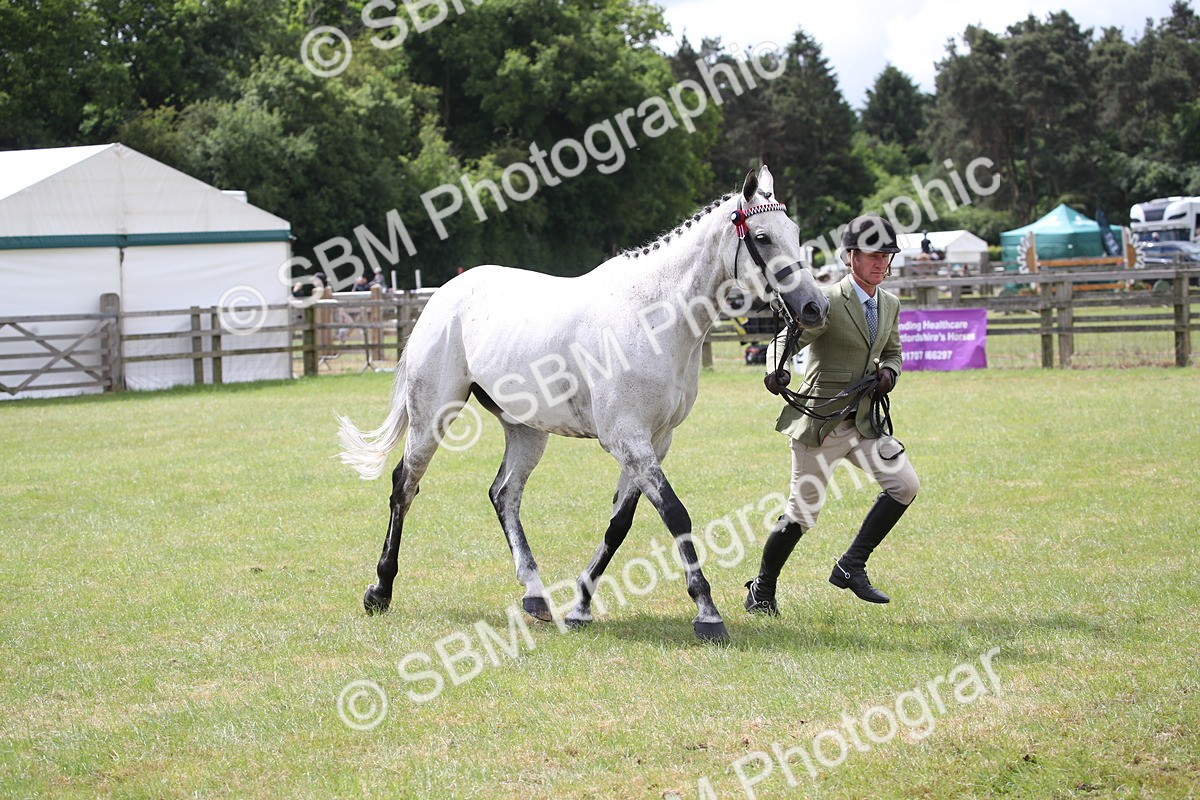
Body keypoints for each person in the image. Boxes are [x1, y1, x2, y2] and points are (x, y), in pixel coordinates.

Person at [744, 212, 920, 615]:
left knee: (904, 485)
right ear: (851, 257)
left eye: (887, 256)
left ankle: (851, 565)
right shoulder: (826, 301)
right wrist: (775, 369)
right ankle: (761, 590)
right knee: (802, 514)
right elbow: (785, 340)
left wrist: (889, 373)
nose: (881, 263)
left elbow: (892, 350)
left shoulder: (889, 304)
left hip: (864, 422)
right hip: (821, 424)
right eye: (873, 255)